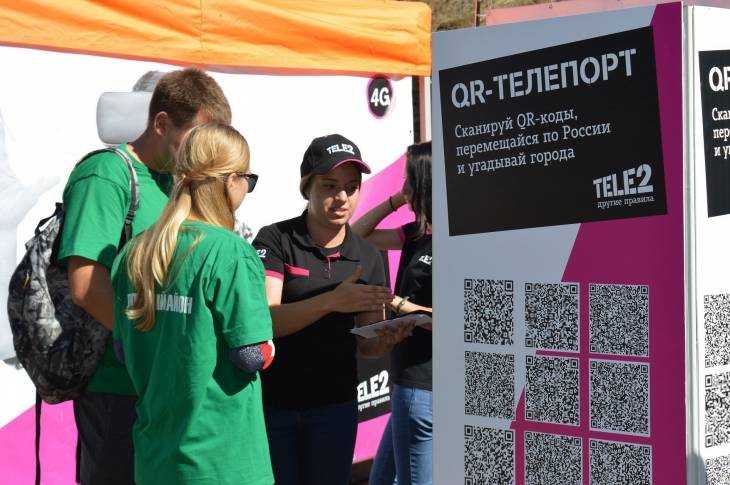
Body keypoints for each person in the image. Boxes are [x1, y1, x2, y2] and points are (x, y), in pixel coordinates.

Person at [58, 68, 231, 484]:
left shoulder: (177, 182)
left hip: (166, 387)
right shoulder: (107, 174)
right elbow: (86, 285)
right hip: (118, 389)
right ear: (161, 123)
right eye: (195, 138)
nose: (203, 153)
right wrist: (147, 351)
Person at [111, 122, 274, 485]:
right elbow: (251, 356)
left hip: (156, 460)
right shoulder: (229, 252)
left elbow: (122, 351)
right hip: (221, 463)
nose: (247, 189)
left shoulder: (134, 252)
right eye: (248, 179)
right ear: (230, 180)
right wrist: (270, 346)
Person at [253, 134, 410, 485]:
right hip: (275, 406)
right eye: (330, 186)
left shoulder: (367, 255)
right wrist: (332, 301)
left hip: (334, 408)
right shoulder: (274, 239)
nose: (342, 198)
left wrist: (385, 340)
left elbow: (368, 345)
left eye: (351, 188)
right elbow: (266, 321)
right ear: (306, 187)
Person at [353, 142, 433, 485]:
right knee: (381, 479)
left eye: (409, 179)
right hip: (407, 382)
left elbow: (453, 318)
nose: (405, 186)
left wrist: (396, 304)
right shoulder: (415, 234)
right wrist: (396, 200)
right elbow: (356, 235)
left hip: (422, 384)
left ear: (424, 182)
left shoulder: (454, 239)